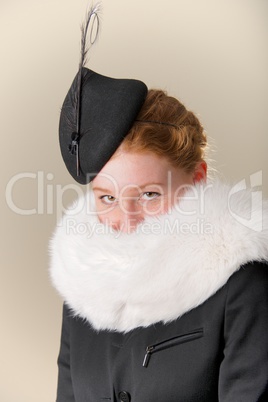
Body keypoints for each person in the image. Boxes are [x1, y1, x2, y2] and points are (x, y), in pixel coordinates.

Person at [50, 6, 268, 402]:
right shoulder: (82, 291)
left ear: (198, 179)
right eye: (107, 197)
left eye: (149, 194)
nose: (125, 220)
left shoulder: (242, 285)